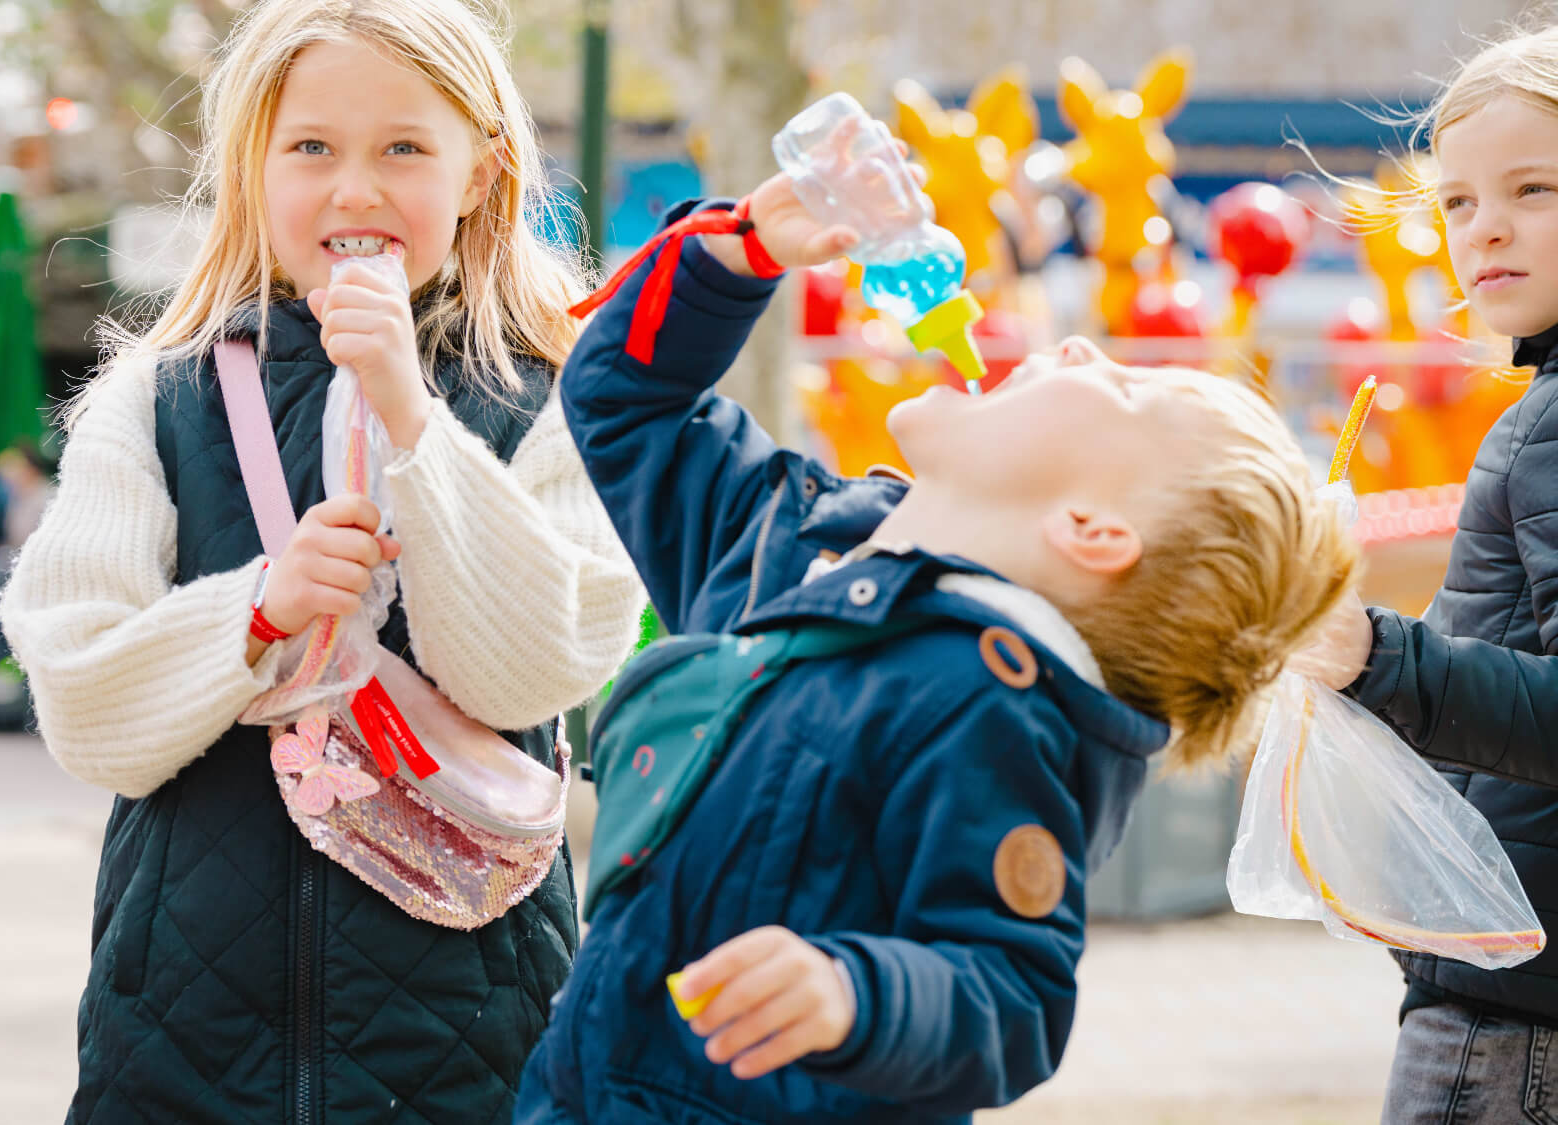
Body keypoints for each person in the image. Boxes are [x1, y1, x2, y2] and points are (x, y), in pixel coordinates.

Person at [516, 168, 1359, 1123]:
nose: (1081, 345)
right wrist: (737, 252)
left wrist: (853, 993)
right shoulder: (790, 552)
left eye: (1122, 390)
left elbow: (1012, 996)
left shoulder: (998, 706)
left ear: (1090, 527)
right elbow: (627, 399)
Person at [0, 0, 643, 1119]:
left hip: (473, 1043)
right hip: (179, 1048)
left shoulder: (563, 400)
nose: (354, 189)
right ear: (253, 168)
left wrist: (412, 420)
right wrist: (256, 610)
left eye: (402, 148)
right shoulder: (154, 401)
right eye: (310, 149)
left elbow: (535, 673)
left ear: (480, 174)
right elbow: (83, 706)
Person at [1292, 23, 1558, 1123]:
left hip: (1510, 1021)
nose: (1481, 227)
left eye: (1529, 188)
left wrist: (1372, 654)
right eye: (1453, 202)